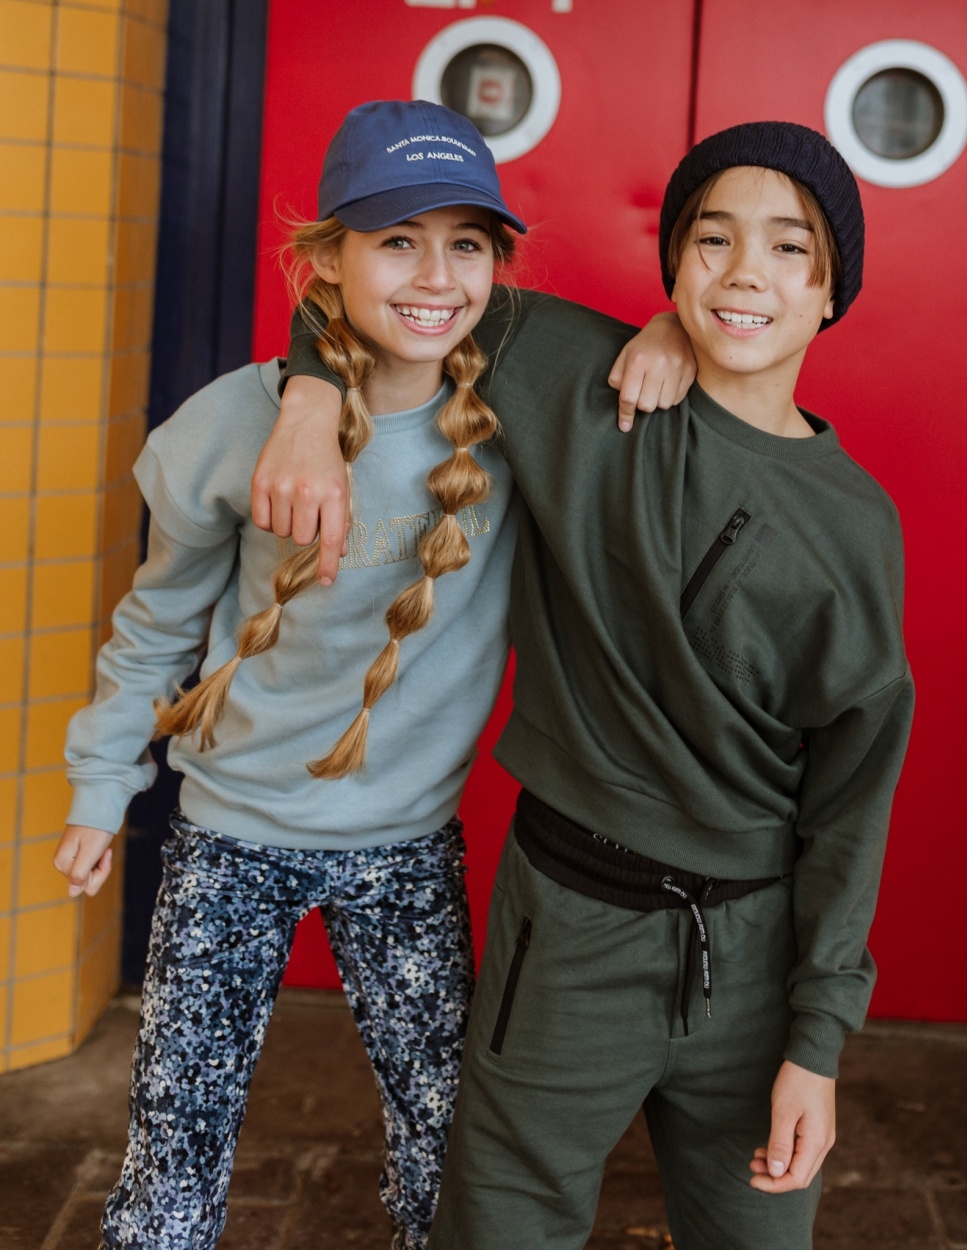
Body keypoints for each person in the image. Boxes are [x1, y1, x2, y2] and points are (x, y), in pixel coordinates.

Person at [51, 98, 690, 1250]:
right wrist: (102, 786)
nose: (436, 275)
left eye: (466, 243)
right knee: (171, 1163)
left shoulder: (515, 414)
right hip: (228, 835)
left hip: (404, 844)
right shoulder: (228, 423)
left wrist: (668, 332)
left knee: (446, 1145)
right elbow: (156, 623)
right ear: (327, 258)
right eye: (397, 239)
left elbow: (627, 351)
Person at [263, 121, 913, 1250]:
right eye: (711, 240)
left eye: (788, 249)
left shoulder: (855, 525)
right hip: (566, 930)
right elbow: (366, 293)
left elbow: (851, 803)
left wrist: (816, 1042)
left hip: (752, 958)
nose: (744, 273)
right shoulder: (576, 378)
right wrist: (309, 407)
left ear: (830, 292)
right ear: (674, 263)